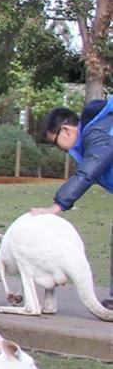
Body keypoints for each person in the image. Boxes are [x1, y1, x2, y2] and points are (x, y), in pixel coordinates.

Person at [33, 98, 113, 310]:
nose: (59, 148)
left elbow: (89, 170)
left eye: (55, 142)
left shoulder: (96, 134)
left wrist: (57, 206)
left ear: (66, 130)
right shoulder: (99, 130)